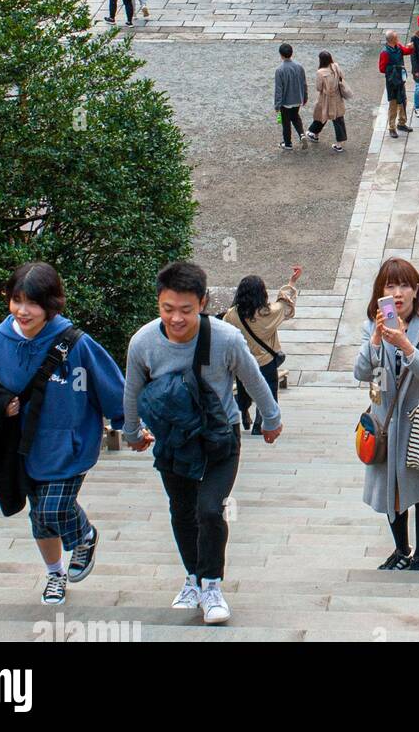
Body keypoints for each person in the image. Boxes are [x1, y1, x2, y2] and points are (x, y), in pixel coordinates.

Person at [123, 259, 282, 624]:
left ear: (203, 303)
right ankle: (193, 577)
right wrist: (132, 432)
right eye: (167, 309)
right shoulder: (143, 342)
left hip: (219, 437)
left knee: (209, 509)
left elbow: (253, 378)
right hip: (174, 440)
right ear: (159, 303)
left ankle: (212, 584)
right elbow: (132, 390)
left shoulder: (225, 338)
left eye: (185, 310)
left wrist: (271, 419)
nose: (176, 318)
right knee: (182, 511)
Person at [0, 262, 126, 606]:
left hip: (70, 444)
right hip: (20, 448)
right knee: (40, 517)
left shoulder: (77, 343)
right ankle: (55, 575)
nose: (23, 311)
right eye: (16, 300)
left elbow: (112, 388)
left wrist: (131, 427)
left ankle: (85, 535)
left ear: (51, 304)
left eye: (32, 303)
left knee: (51, 510)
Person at [353, 258, 419, 572]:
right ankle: (400, 548)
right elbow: (361, 372)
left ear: (416, 290)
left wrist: (407, 346)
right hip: (387, 423)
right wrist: (376, 341)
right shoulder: (374, 324)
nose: (398, 293)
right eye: (390, 285)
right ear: (381, 292)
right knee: (390, 489)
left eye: (405, 285)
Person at [223, 266, 300, 434]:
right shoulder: (269, 313)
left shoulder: (232, 314)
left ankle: (242, 410)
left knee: (244, 389)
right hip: (266, 360)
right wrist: (292, 282)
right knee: (268, 389)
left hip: (243, 360)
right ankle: (260, 422)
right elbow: (285, 304)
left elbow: (225, 332)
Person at [311, 50, 349, 151]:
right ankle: (339, 144)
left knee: (321, 115)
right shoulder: (336, 66)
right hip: (337, 97)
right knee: (338, 120)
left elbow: (318, 88)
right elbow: (342, 77)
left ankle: (315, 134)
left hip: (325, 98)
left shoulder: (320, 72)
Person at [274, 42, 308, 150]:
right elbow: (304, 84)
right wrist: (305, 97)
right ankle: (302, 134)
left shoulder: (280, 70)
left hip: (286, 101)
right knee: (295, 117)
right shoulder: (299, 67)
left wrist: (277, 105)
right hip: (298, 98)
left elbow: (279, 89)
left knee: (286, 121)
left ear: (281, 55)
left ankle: (288, 143)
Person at [379, 30, 413, 137]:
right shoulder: (385, 52)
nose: (398, 38)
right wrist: (394, 69)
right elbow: (382, 68)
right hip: (392, 82)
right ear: (392, 39)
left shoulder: (398, 47)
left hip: (400, 80)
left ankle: (401, 123)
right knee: (393, 104)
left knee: (403, 101)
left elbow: (407, 51)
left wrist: (411, 47)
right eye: (397, 37)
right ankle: (391, 127)